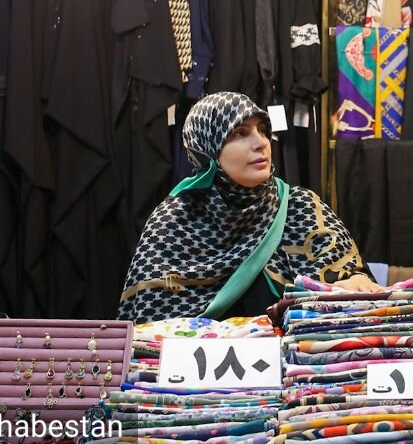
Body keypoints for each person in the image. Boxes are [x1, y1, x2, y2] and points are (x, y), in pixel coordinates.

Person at [118, 92, 380, 323]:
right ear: (207, 148)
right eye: (240, 133)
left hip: (292, 361)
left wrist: (352, 284)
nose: (261, 142)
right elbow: (148, 332)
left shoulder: (300, 208)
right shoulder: (173, 224)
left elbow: (353, 288)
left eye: (262, 130)